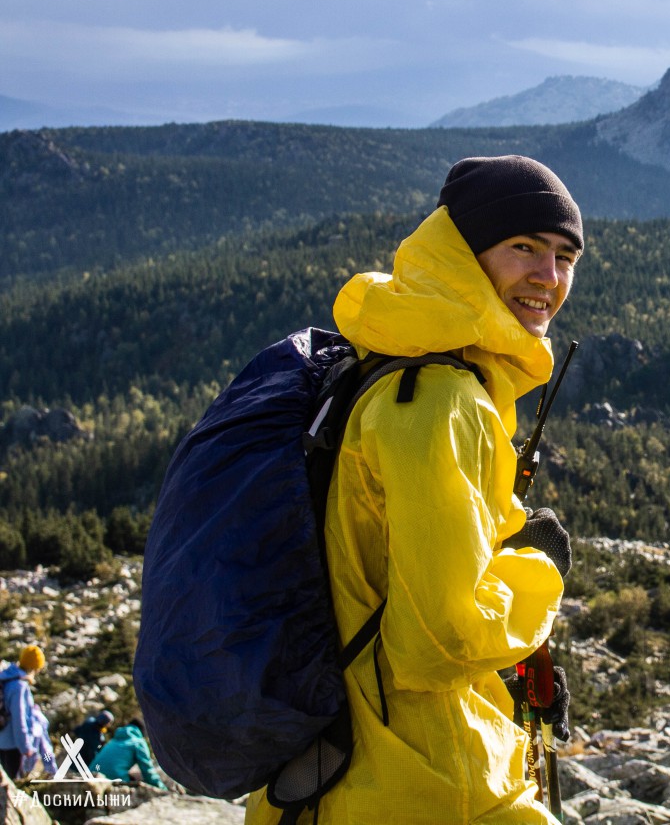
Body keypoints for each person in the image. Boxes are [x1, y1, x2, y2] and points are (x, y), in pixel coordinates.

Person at [245, 155, 583, 825]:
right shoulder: (437, 399)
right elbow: (443, 639)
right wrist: (538, 571)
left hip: (326, 774)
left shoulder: (380, 360)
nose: (548, 277)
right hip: (423, 782)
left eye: (564, 256)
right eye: (523, 248)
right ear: (463, 252)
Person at [0, 645, 57, 780]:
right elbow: (19, 719)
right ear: (35, 667)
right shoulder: (19, 686)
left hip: (2, 740)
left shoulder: (6, 678)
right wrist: (25, 747)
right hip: (13, 745)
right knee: (13, 785)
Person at [90, 719, 166, 788]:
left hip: (91, 775)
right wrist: (162, 788)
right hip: (112, 779)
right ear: (142, 732)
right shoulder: (138, 742)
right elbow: (147, 771)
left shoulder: (113, 741)